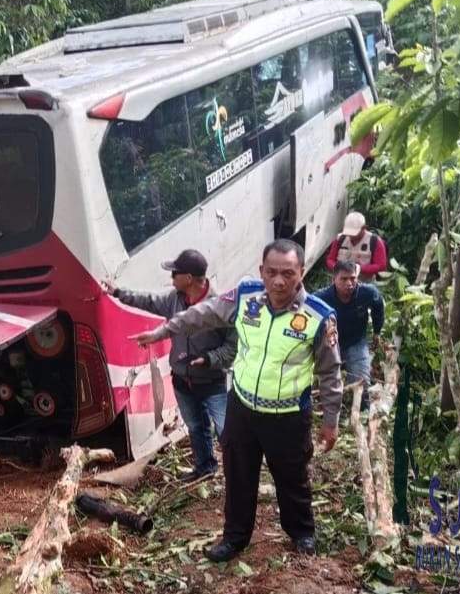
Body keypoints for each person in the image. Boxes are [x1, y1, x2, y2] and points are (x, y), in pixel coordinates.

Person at [131, 239, 342, 561]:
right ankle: (235, 538)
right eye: (271, 272)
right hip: (242, 408)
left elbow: (330, 373)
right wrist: (164, 331)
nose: (279, 281)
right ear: (262, 271)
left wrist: (330, 422)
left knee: (292, 477)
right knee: (239, 476)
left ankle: (301, 532)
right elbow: (201, 314)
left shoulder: (319, 317)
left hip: (287, 416)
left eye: (288, 273)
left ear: (301, 273)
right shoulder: (246, 298)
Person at [106, 249, 237, 482]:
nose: (171, 278)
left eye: (174, 273)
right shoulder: (173, 299)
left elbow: (232, 348)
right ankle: (205, 467)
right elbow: (147, 300)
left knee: (226, 431)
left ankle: (239, 475)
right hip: (182, 381)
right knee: (196, 427)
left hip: (212, 382)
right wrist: (117, 292)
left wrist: (209, 359)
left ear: (188, 278)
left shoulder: (220, 306)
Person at [314, 260, 384, 414]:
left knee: (360, 382)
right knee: (326, 382)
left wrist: (377, 332)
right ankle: (329, 411)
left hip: (356, 342)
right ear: (334, 280)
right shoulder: (322, 297)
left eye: (352, 278)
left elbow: (379, 307)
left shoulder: (368, 293)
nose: (349, 283)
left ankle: (361, 413)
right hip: (330, 344)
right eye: (344, 279)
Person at [325, 211, 388, 281]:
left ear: (364, 228)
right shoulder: (340, 238)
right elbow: (330, 259)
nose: (351, 235)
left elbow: (381, 266)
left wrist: (360, 268)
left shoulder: (375, 241)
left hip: (365, 282)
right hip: (340, 282)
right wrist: (337, 267)